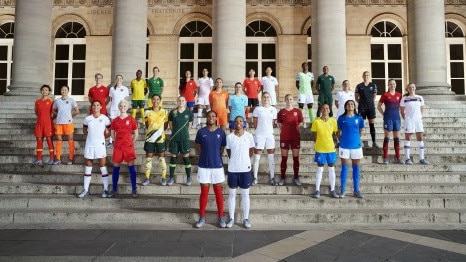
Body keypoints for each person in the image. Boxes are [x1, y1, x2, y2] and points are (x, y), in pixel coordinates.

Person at [194, 110, 227, 228]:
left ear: (216, 118)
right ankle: (202, 217)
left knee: (218, 193)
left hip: (217, 166)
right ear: (206, 118)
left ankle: (221, 217)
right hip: (204, 166)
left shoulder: (221, 132)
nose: (211, 118)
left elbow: (222, 148)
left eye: (213, 116)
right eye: (209, 116)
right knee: (204, 193)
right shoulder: (201, 132)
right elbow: (198, 147)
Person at [225, 116, 255, 229]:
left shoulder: (249, 136)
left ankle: (246, 218)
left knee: (245, 195)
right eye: (236, 121)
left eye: (241, 121)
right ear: (233, 123)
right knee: (232, 194)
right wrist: (235, 160)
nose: (238, 123)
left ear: (244, 123)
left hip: (245, 169)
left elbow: (252, 150)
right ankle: (231, 218)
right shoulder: (230, 137)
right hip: (233, 169)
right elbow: (228, 151)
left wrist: (245, 160)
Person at [78, 100, 111, 198]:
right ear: (91, 107)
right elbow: (84, 130)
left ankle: (105, 190)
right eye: (94, 105)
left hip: (100, 145)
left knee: (103, 167)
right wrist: (91, 136)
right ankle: (86, 190)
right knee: (88, 167)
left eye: (98, 105)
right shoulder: (87, 119)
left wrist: (102, 137)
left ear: (101, 107)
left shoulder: (105, 118)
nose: (96, 107)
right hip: (89, 145)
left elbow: (110, 130)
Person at [108, 100, 139, 198]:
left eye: (124, 106)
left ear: (127, 107)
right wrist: (115, 141)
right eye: (121, 106)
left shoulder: (131, 119)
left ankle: (134, 189)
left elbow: (136, 134)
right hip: (118, 146)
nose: (123, 107)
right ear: (119, 107)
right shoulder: (115, 120)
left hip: (128, 146)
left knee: (131, 168)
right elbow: (112, 133)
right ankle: (114, 189)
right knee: (116, 167)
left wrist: (131, 143)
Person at [337, 100, 365, 198]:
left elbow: (361, 130)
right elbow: (338, 131)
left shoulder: (359, 118)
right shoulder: (341, 118)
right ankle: (343, 190)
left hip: (356, 146)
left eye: (352, 104)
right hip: (344, 145)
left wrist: (357, 139)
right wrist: (341, 139)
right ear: (345, 107)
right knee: (344, 167)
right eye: (348, 104)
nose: (350, 106)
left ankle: (356, 190)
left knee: (356, 168)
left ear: (354, 106)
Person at [311, 104, 339, 198]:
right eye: (323, 108)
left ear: (329, 110)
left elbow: (335, 134)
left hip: (331, 148)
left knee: (331, 168)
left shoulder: (333, 121)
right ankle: (317, 190)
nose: (325, 109)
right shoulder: (316, 121)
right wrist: (317, 144)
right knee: (320, 169)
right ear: (321, 110)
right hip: (320, 149)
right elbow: (314, 135)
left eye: (327, 108)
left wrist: (335, 143)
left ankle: (332, 190)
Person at [277, 94, 304, 186]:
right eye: (287, 99)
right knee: (284, 158)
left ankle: (296, 177)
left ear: (293, 100)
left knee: (295, 158)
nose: (289, 100)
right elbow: (280, 124)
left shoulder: (297, 111)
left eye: (291, 99)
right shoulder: (281, 112)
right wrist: (286, 129)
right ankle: (282, 178)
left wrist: (294, 128)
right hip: (284, 137)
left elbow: (300, 122)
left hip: (295, 137)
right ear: (285, 100)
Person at [400, 83, 429, 165]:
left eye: (413, 87)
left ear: (415, 88)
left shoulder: (420, 98)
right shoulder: (404, 98)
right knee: (408, 138)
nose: (411, 88)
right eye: (410, 87)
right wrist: (406, 119)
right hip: (409, 120)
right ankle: (407, 158)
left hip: (418, 120)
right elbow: (402, 111)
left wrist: (419, 117)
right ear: (407, 89)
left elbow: (422, 108)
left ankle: (422, 158)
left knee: (420, 138)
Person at [143, 94, 169, 186]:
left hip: (160, 138)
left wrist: (159, 132)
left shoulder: (165, 112)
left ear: (160, 100)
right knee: (148, 159)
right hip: (150, 138)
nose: (156, 101)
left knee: (161, 158)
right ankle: (146, 178)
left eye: (158, 99)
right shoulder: (147, 112)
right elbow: (146, 124)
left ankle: (163, 177)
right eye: (154, 99)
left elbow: (166, 125)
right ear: (151, 101)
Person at [252, 92, 278, 186]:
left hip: (270, 135)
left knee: (271, 156)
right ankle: (255, 177)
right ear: (261, 98)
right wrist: (259, 131)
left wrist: (268, 131)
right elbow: (255, 122)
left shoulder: (273, 110)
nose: (266, 98)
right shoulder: (257, 109)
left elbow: (273, 122)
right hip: (259, 135)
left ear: (270, 98)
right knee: (257, 157)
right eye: (264, 97)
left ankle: (272, 177)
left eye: (267, 97)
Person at [168, 96, 194, 186]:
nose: (181, 102)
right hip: (174, 138)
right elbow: (171, 125)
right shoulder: (172, 112)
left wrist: (184, 133)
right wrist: (176, 132)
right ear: (177, 102)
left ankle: (188, 178)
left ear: (186, 101)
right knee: (173, 158)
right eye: (179, 100)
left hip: (184, 138)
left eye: (183, 100)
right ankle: (171, 178)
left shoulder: (189, 113)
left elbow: (189, 126)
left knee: (186, 157)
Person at [52, 85, 80, 165]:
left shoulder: (71, 100)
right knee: (59, 140)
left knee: (70, 140)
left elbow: (77, 111)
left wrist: (70, 116)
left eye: (65, 90)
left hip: (68, 123)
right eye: (62, 90)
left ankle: (71, 158)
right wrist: (58, 114)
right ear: (60, 91)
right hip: (59, 123)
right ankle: (57, 158)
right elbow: (53, 111)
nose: (64, 91)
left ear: (68, 91)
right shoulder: (57, 101)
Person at [377, 79, 402, 164]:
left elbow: (402, 106)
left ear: (396, 85)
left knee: (397, 138)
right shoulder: (385, 95)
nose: (392, 85)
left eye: (394, 84)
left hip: (396, 118)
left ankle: (398, 158)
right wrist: (383, 114)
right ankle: (385, 158)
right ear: (388, 85)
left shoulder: (399, 95)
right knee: (387, 138)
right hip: (388, 118)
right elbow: (379, 106)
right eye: (391, 84)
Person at [355, 71, 378, 148]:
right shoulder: (359, 86)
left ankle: (374, 142)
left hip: (370, 107)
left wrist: (370, 102)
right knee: (360, 125)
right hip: (362, 107)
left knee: (372, 124)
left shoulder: (373, 85)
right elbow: (356, 97)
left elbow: (374, 96)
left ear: (369, 76)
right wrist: (361, 102)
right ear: (362, 76)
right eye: (365, 75)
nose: (366, 76)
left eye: (367, 75)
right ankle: (358, 141)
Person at [34, 85, 55, 165]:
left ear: (49, 91)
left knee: (49, 140)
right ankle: (39, 159)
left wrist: (50, 119)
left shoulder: (51, 101)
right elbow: (36, 112)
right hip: (39, 124)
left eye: (46, 90)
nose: (44, 91)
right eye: (43, 90)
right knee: (39, 141)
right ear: (41, 91)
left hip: (48, 124)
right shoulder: (37, 101)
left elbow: (54, 112)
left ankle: (52, 158)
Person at [108, 74, 129, 147]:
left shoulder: (125, 88)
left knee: (121, 125)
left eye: (120, 78)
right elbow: (110, 99)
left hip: (121, 109)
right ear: (115, 80)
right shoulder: (111, 89)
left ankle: (121, 140)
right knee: (112, 125)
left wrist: (125, 108)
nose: (119, 80)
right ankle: (111, 141)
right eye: (117, 78)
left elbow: (126, 100)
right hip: (113, 109)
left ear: (122, 80)